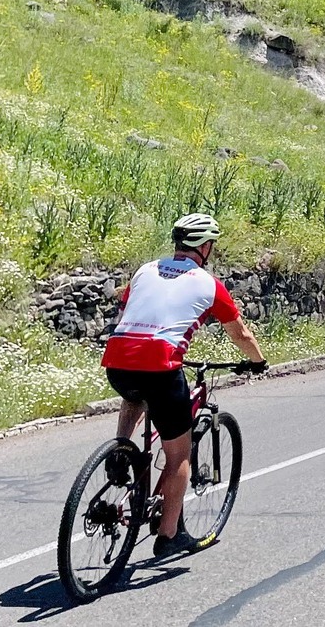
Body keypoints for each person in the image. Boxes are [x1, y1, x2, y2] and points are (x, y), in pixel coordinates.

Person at [102, 213, 266, 557]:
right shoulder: (208, 283)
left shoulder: (145, 270)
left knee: (135, 395)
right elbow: (241, 334)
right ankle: (169, 534)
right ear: (205, 247)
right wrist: (258, 361)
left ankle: (120, 450)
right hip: (160, 364)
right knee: (179, 455)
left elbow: (134, 305)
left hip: (117, 358)